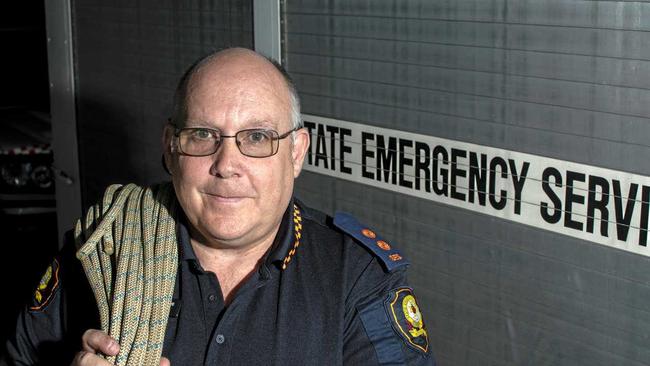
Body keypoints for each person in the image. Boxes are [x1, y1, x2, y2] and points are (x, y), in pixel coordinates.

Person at [2, 48, 435, 365]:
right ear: (170, 150)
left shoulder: (355, 280)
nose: (227, 165)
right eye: (203, 136)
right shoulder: (103, 248)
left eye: (258, 137)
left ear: (297, 152)